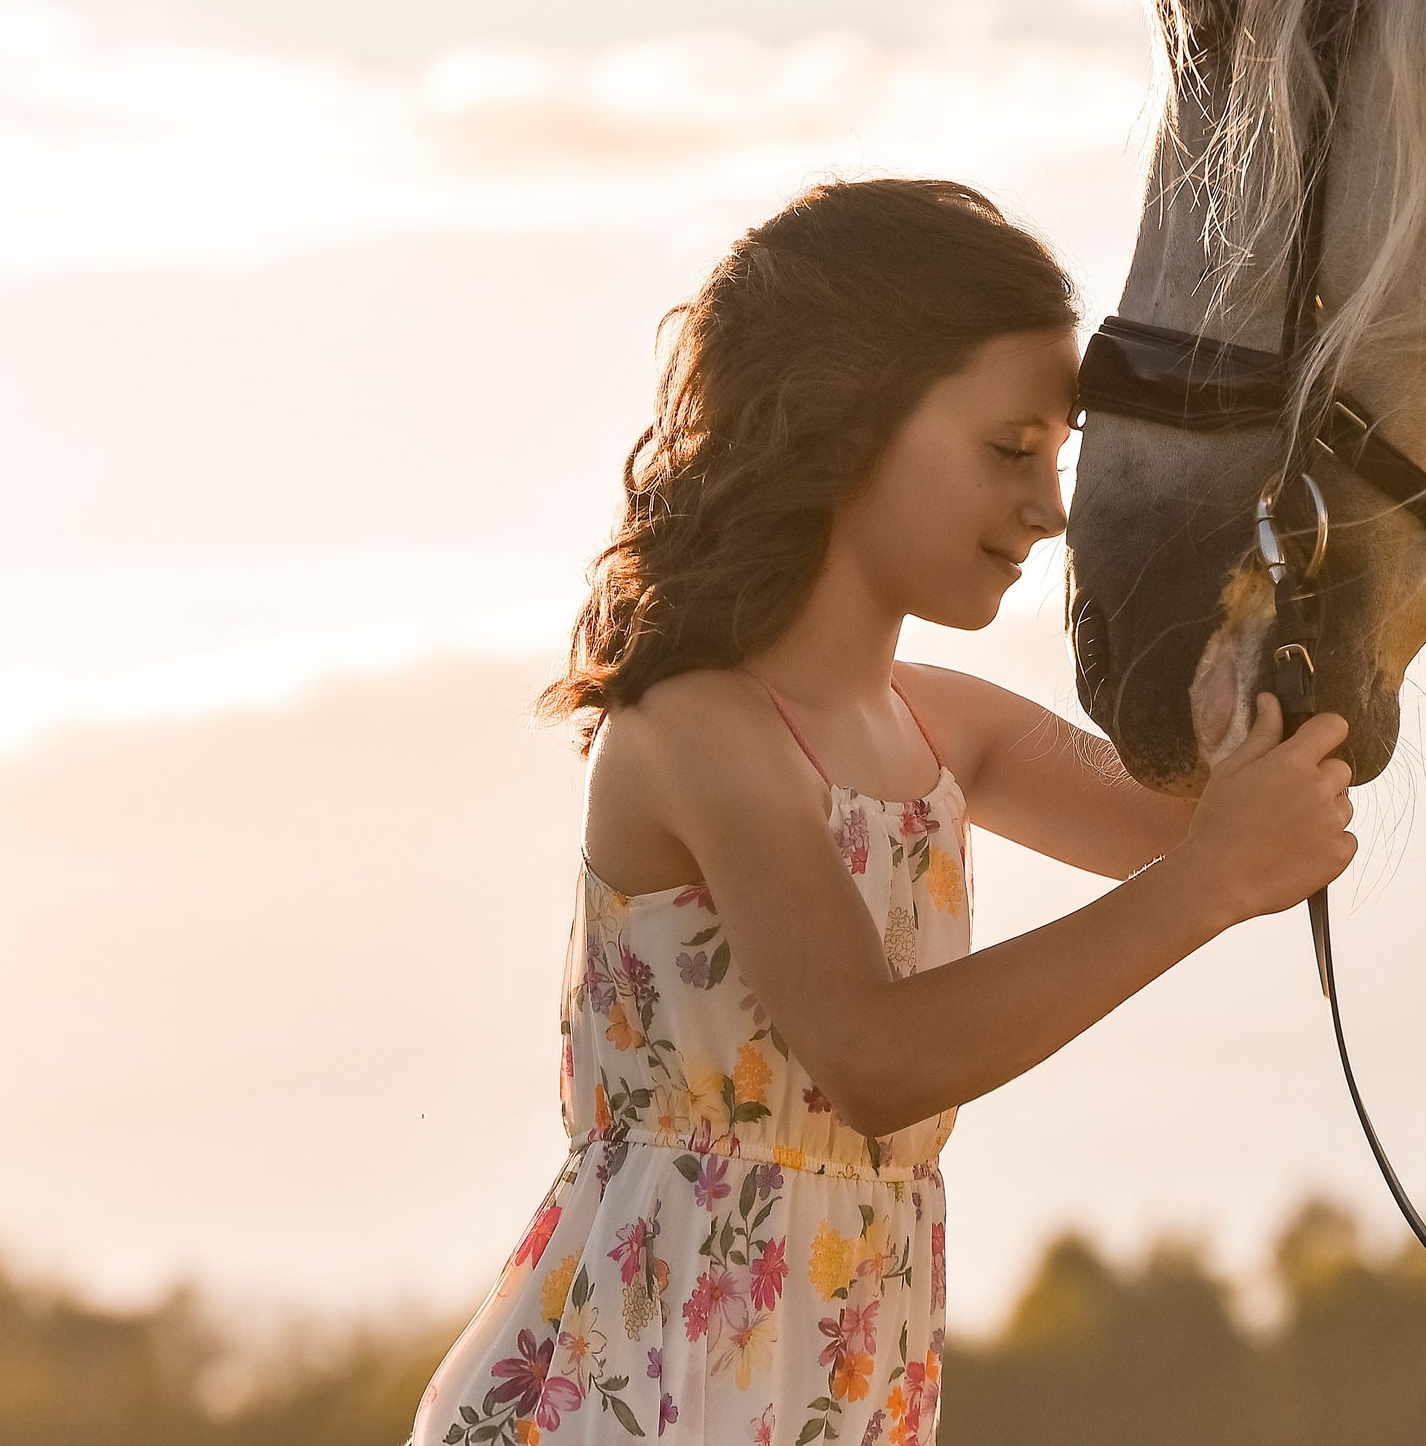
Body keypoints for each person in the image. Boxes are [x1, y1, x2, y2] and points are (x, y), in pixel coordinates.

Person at [410, 176, 1356, 1446]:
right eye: (1007, 448)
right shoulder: (702, 731)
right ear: (843, 424)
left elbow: (1227, 825)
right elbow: (873, 1054)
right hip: (633, 1393)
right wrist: (1205, 883)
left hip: (831, 1384)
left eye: (1058, 457)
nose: (1050, 506)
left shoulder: (940, 725)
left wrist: (1360, 561)